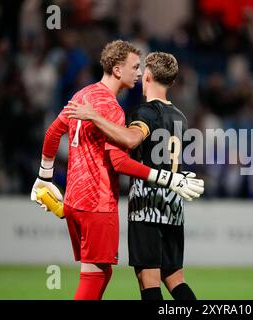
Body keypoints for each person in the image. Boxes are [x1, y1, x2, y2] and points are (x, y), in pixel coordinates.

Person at [30, 41, 204, 300]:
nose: (137, 72)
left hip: (76, 200)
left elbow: (53, 132)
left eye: (140, 68)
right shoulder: (117, 109)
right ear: (117, 69)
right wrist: (168, 177)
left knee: (107, 275)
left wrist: (44, 177)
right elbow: (119, 161)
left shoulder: (82, 96)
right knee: (106, 275)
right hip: (99, 203)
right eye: (134, 67)